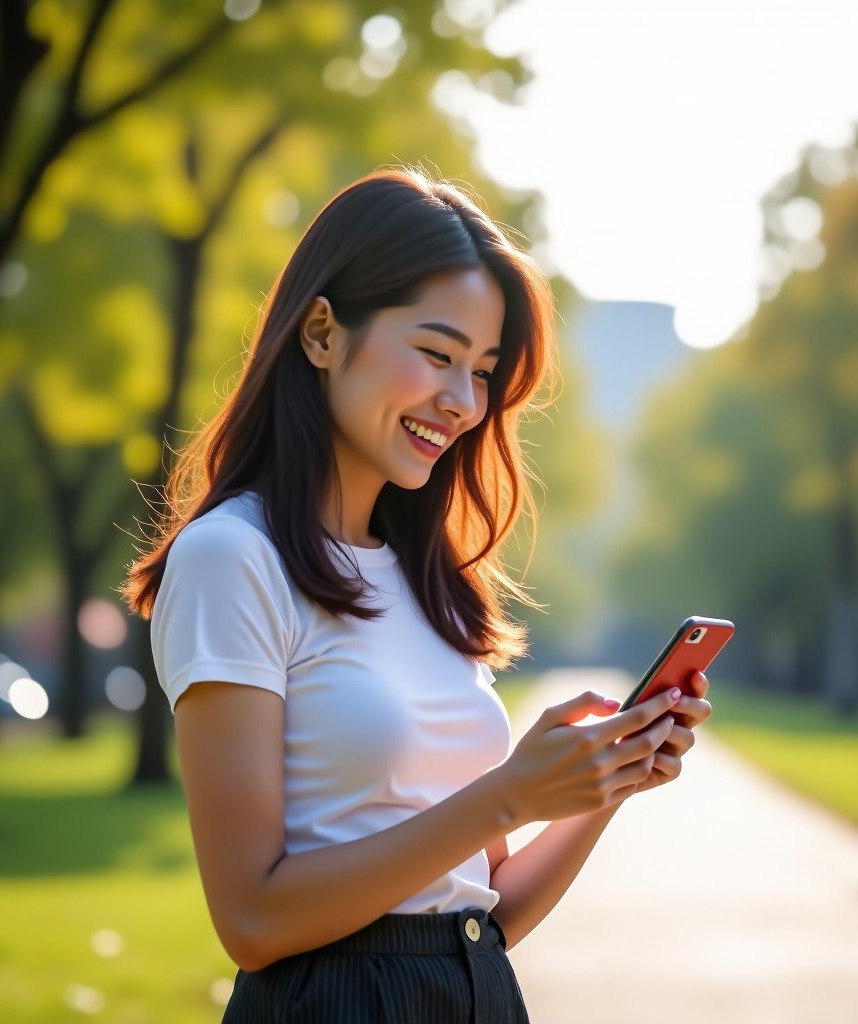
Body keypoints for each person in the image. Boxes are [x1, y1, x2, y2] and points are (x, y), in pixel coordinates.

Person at [119, 165, 712, 1023]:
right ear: (321, 333)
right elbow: (251, 919)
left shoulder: (430, 581)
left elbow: (483, 909)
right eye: (436, 354)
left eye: (482, 370)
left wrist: (602, 785)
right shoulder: (232, 558)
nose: (463, 401)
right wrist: (507, 792)